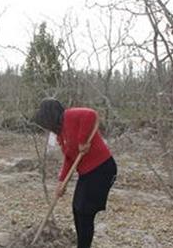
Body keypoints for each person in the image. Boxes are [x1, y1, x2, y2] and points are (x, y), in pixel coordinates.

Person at [33, 98, 117, 248]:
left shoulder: (69, 116)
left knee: (85, 211)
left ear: (51, 117)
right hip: (87, 173)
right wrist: (61, 182)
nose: (47, 128)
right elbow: (69, 159)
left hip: (101, 169)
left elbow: (91, 115)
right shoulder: (61, 135)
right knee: (77, 209)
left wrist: (82, 140)